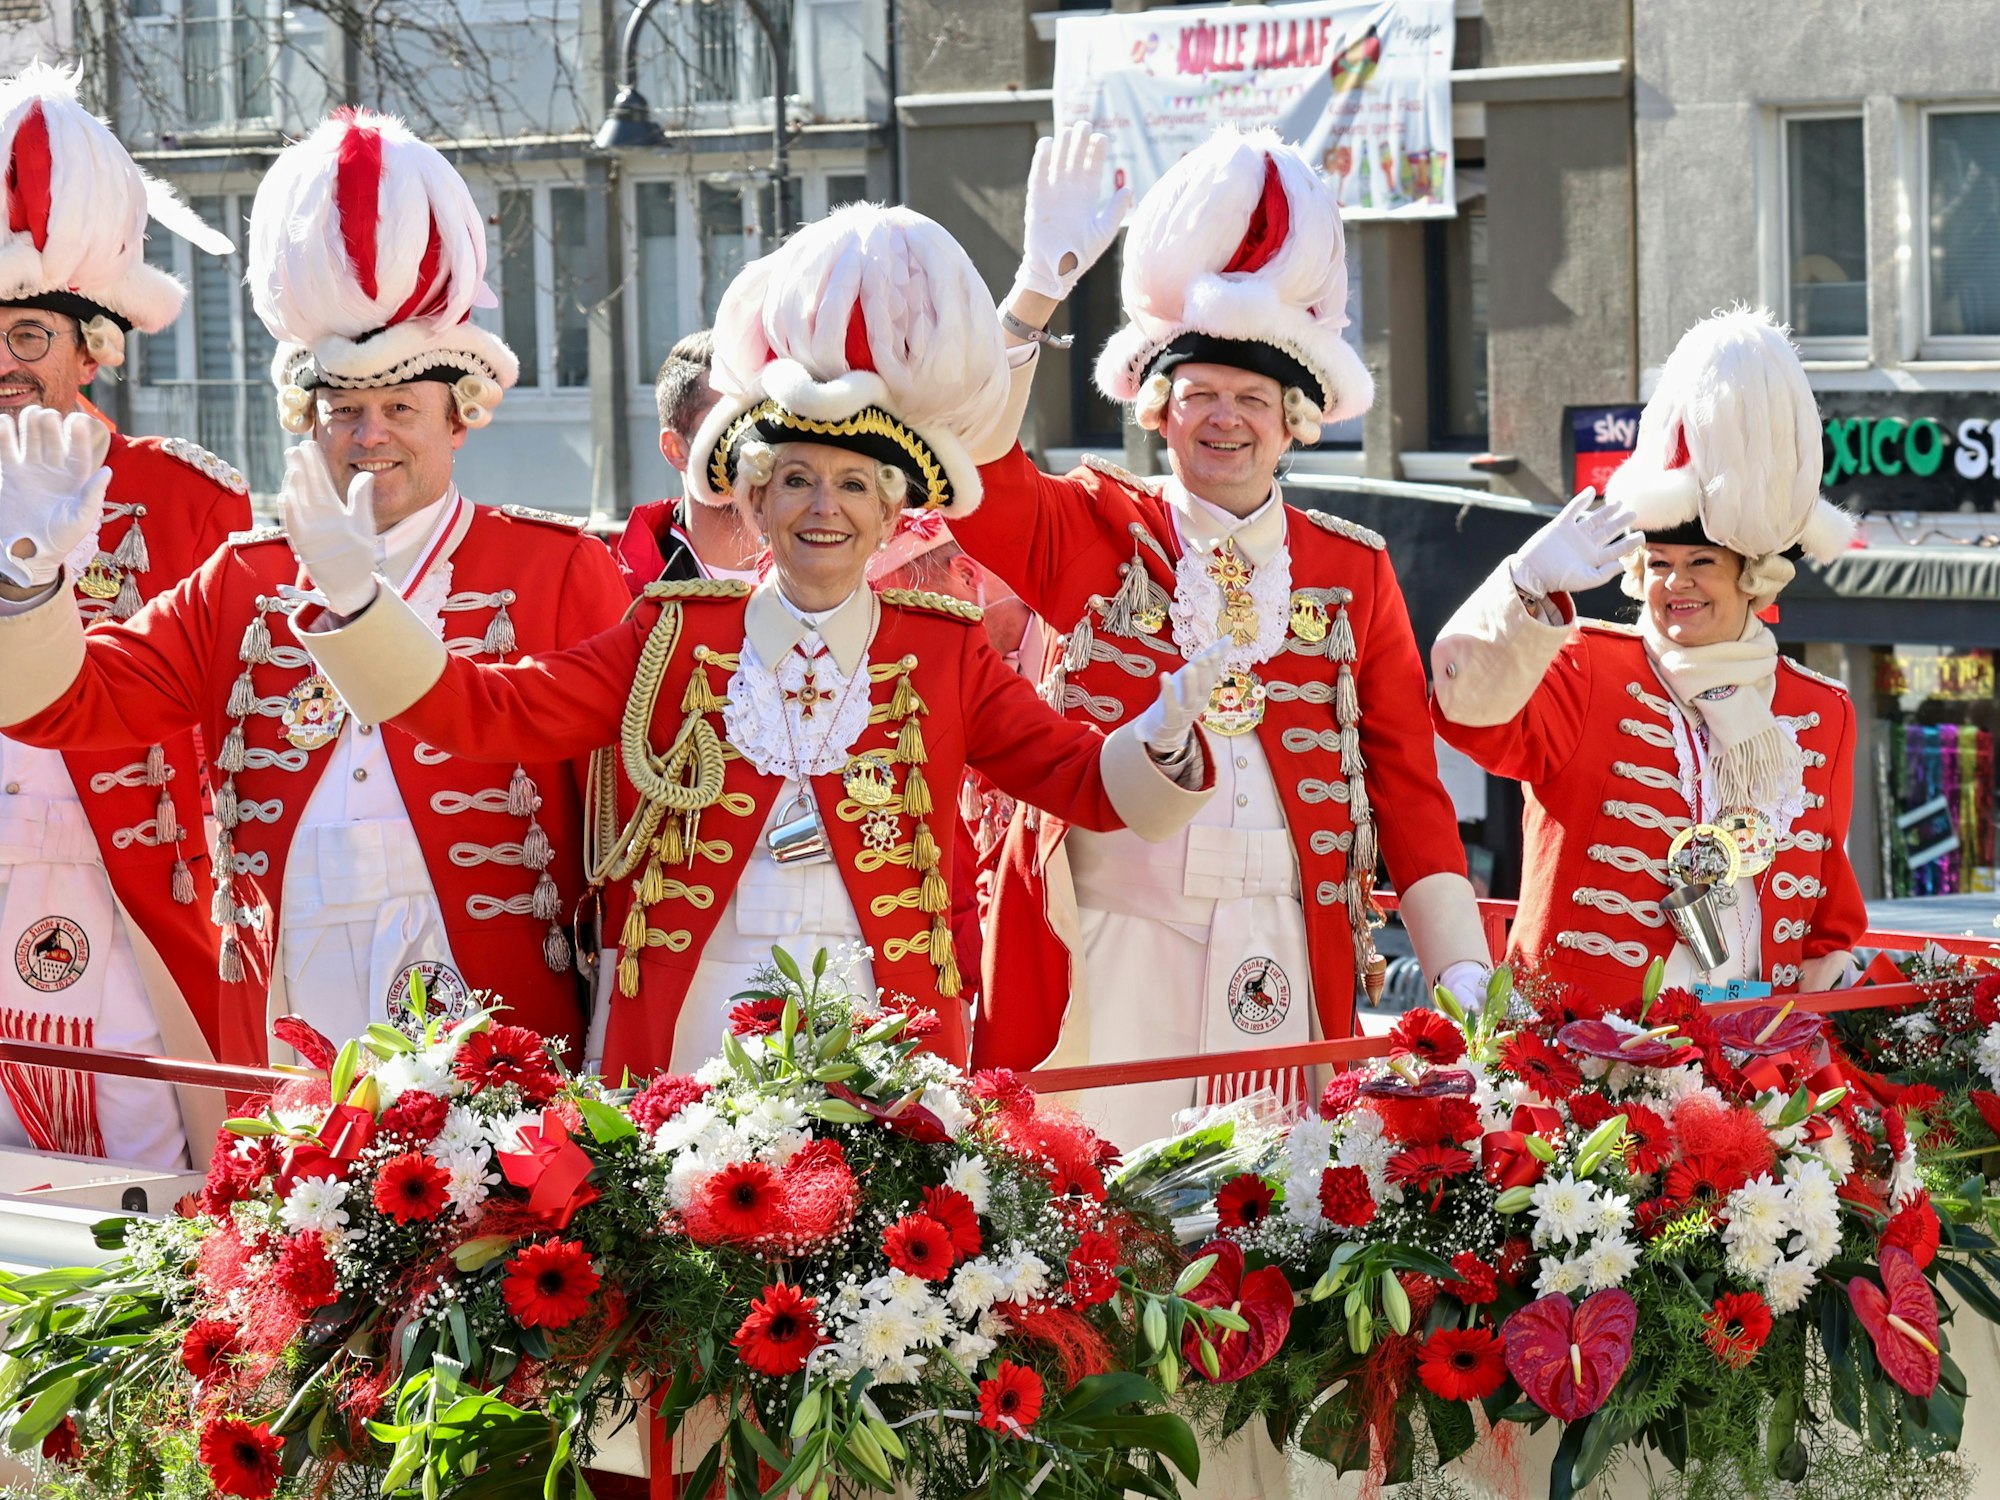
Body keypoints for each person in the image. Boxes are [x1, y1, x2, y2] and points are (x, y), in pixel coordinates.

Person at [280, 203, 1222, 1078]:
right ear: (755, 499)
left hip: (882, 1024)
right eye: (798, 480)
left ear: (894, 511)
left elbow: (1083, 786)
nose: (825, 508)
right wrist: (361, 608)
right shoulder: (673, 632)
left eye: (856, 485)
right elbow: (490, 713)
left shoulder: (945, 651)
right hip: (694, 1021)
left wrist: (1161, 745)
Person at [0, 108, 627, 1061]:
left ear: (460, 420)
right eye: (343, 410)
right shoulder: (240, 583)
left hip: (497, 1000)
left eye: (399, 409)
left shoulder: (554, 567)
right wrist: (28, 583)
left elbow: (619, 819)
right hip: (291, 986)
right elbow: (62, 706)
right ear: (307, 422)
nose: (369, 435)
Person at [953, 124, 1491, 1142]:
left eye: (1253, 399)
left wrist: (1458, 963)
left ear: (1294, 423)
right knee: (1105, 1206)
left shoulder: (1350, 568)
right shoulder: (1096, 526)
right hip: (1116, 939)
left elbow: (1405, 782)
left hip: (1286, 937)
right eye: (1198, 395)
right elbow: (973, 486)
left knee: (1267, 1224)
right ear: (1157, 411)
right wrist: (1031, 294)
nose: (1224, 420)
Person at [1432, 307, 1864, 995]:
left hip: (1752, 1057)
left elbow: (1825, 907)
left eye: (1701, 563)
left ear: (1750, 578)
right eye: (1659, 563)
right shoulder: (1585, 666)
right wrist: (1525, 587)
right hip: (1586, 1057)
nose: (1676, 584)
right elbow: (1468, 715)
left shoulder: (1822, 709)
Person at [0, 65, 249, 1168]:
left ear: (92, 345)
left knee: (160, 1149)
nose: (1, 367)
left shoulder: (187, 498)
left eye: (26, 337)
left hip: (134, 882)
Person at [611, 331, 763, 593]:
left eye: (760, 417)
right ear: (675, 449)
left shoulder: (839, 577)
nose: (751, 439)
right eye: (726, 422)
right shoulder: (624, 597)